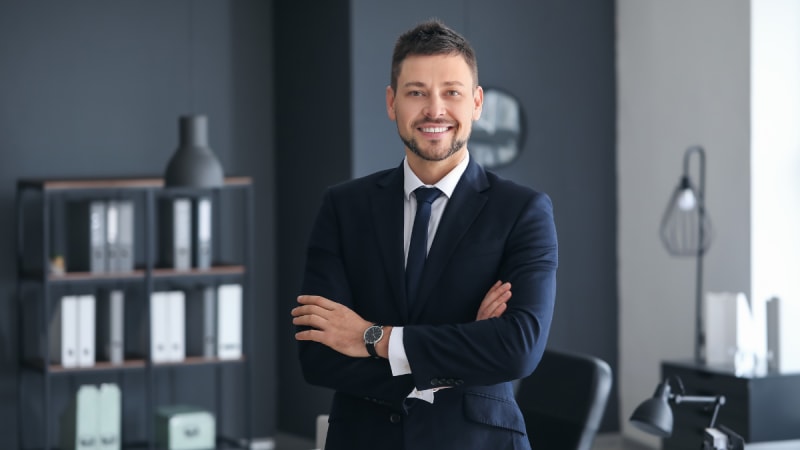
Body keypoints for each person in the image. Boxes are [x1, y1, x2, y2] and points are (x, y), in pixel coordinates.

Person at [291, 18, 558, 450]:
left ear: (476, 103)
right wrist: (468, 342)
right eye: (417, 92)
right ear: (392, 102)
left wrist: (370, 337)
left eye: (451, 92)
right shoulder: (344, 207)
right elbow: (317, 355)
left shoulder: (522, 211)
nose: (435, 110)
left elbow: (518, 348)